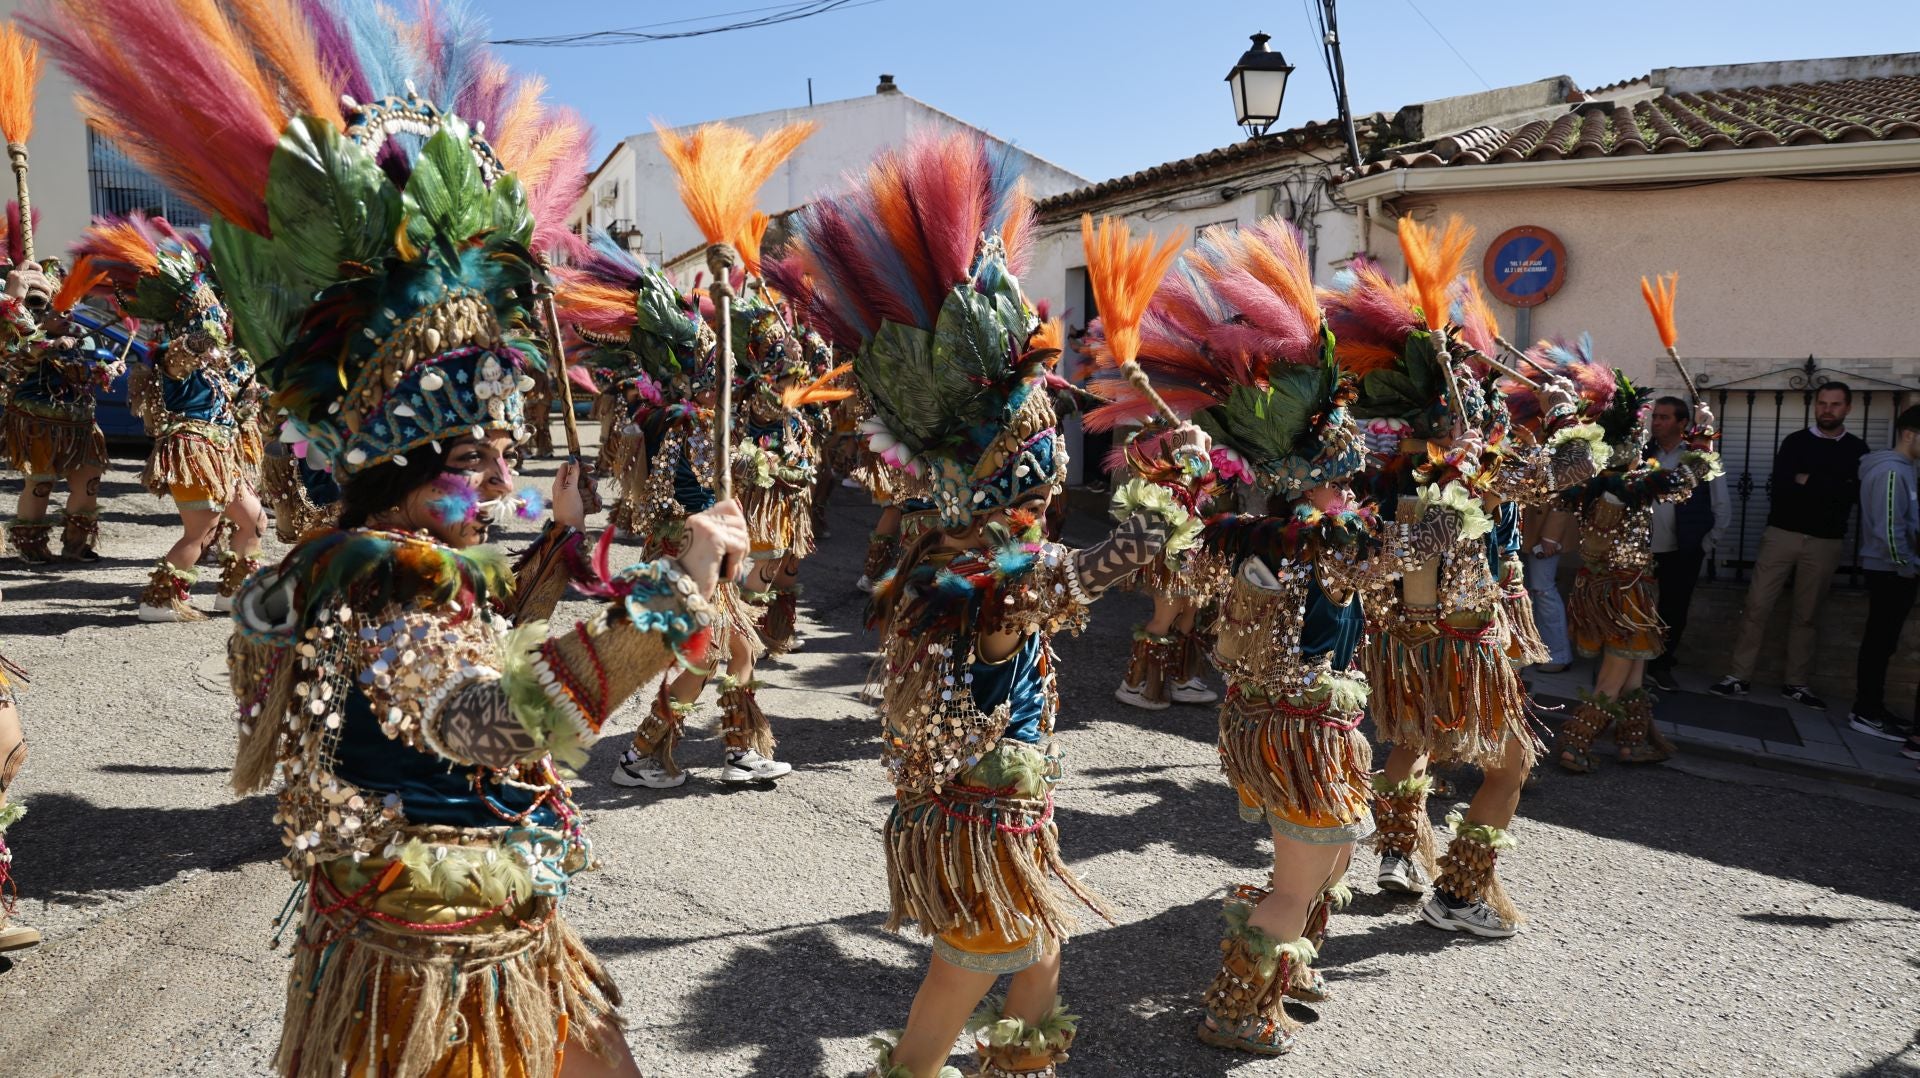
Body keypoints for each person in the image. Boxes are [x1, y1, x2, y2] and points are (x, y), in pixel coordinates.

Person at [38, 7, 753, 1074]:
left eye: (505, 454)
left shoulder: (397, 561)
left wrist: (557, 552)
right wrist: (672, 600)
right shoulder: (383, 578)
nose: (504, 478)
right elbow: (478, 719)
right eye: (480, 463)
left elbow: (468, 651)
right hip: (434, 941)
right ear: (409, 482)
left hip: (473, 911)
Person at [775, 133, 1200, 1078]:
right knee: (962, 975)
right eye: (1038, 490)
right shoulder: (993, 576)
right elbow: (1109, 563)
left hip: (997, 803)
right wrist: (1172, 492)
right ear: (1007, 497)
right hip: (981, 810)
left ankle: (1019, 1067)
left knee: (1039, 944)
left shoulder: (937, 555)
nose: (1048, 503)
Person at [73, 213, 270, 621]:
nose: (222, 317)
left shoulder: (218, 361)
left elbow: (238, 383)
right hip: (194, 449)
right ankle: (158, 601)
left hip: (221, 452)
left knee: (254, 522)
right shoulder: (176, 354)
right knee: (201, 532)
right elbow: (184, 352)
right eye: (215, 311)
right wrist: (205, 325)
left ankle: (234, 593)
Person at [1557, 375, 1721, 773]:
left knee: (1633, 671)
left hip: (1604, 587)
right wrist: (1704, 432)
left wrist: (1563, 416)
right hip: (1626, 593)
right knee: (1614, 676)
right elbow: (1689, 478)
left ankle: (1633, 744)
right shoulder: (1635, 484)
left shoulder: (1590, 484)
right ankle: (1574, 747)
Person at [1711, 383, 1868, 707]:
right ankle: (1738, 676)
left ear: (1848, 408)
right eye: (1822, 403)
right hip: (1782, 534)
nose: (1827, 409)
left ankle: (1796, 684)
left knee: (1807, 614)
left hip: (1826, 542)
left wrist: (1809, 481)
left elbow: (1853, 496)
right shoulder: (1796, 442)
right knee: (1756, 606)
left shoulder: (1857, 449)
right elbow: (1783, 485)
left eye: (1835, 404)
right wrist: (1831, 486)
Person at [0, 248, 118, 564]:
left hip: (81, 424)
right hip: (40, 422)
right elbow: (18, 356)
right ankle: (31, 545)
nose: (66, 316)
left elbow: (86, 371)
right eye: (58, 311)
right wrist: (48, 345)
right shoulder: (19, 334)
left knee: (90, 481)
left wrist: (103, 371)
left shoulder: (80, 337)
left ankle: (76, 544)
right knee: (40, 484)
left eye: (69, 310)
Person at [1644, 396, 1730, 690]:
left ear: (1683, 423)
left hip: (1683, 549)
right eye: (1655, 416)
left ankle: (1662, 665)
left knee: (1674, 609)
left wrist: (1704, 544)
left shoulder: (1700, 455)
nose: (1656, 422)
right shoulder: (1644, 453)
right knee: (1636, 606)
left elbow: (1721, 506)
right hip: (1643, 547)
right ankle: (1629, 664)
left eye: (1665, 417)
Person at [1849, 405, 1920, 741]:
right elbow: (1889, 528)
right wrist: (1907, 567)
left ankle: (1872, 707)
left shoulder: (1904, 469)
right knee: (1879, 643)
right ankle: (1866, 711)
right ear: (1909, 434)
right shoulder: (1892, 472)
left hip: (1895, 571)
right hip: (1890, 572)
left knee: (1883, 643)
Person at [1521, 504, 1574, 672]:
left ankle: (1558, 655)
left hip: (1544, 531)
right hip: (1524, 528)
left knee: (1543, 590)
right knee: (1526, 590)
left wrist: (1552, 534)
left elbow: (1565, 493)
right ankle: (1536, 648)